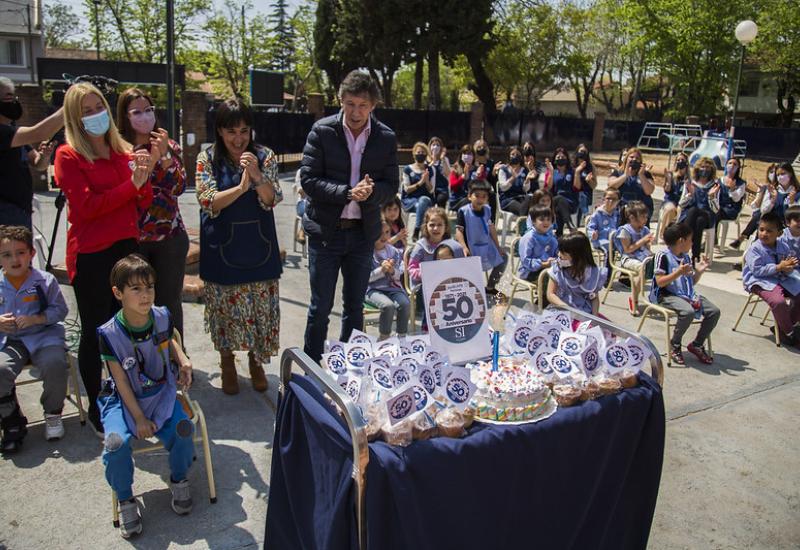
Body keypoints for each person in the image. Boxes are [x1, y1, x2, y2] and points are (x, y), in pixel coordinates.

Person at [53, 82, 153, 435]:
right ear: (73, 118)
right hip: (92, 255)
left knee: (128, 329)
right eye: (86, 110)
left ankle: (130, 397)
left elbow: (142, 200)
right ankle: (99, 405)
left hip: (125, 249)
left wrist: (144, 173)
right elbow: (87, 207)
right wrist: (131, 185)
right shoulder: (68, 156)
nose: (95, 115)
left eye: (99, 107)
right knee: (97, 333)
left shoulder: (122, 151)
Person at [300, 71, 398, 362]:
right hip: (326, 234)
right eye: (350, 103)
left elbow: (391, 185)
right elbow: (308, 180)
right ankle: (312, 367)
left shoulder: (385, 137)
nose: (356, 112)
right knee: (320, 307)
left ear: (373, 106)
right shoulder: (322, 131)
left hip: (362, 234)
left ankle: (347, 366)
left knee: (354, 306)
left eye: (362, 105)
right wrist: (346, 192)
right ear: (340, 100)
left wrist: (371, 193)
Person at [97, 254, 194, 539]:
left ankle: (179, 478)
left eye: (149, 286)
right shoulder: (109, 334)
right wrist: (138, 418)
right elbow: (120, 380)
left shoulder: (161, 315)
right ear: (118, 293)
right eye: (136, 289)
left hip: (159, 392)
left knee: (184, 428)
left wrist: (183, 358)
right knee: (115, 445)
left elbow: (170, 339)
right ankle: (126, 498)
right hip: (124, 400)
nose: (145, 294)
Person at [196, 98, 282, 395]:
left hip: (259, 245)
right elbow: (208, 200)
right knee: (225, 311)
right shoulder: (206, 158)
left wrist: (257, 176)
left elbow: (271, 200)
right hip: (222, 248)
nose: (238, 138)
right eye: (231, 131)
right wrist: (241, 188)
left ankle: (256, 362)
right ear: (220, 131)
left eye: (244, 131)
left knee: (259, 311)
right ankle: (227, 360)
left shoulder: (265, 156)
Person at [116, 88, 189, 338]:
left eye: (148, 110)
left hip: (169, 237)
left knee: (169, 302)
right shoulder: (119, 149)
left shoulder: (169, 145)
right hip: (133, 240)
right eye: (137, 112)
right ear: (125, 116)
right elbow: (129, 192)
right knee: (136, 304)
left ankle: (176, 358)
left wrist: (163, 157)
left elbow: (179, 186)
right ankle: (140, 356)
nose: (144, 116)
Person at [0, 225, 68, 454]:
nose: (15, 259)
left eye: (21, 252)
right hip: (9, 340)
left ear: (32, 254)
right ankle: (11, 420)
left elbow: (61, 311)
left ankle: (53, 413)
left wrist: (38, 318)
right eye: (7, 255)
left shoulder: (45, 280)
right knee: (0, 369)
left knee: (55, 364)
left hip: (44, 335)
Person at [650, 222, 719, 365]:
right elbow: (660, 282)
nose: (692, 243)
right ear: (681, 241)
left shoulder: (685, 257)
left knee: (714, 311)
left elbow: (689, 283)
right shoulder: (662, 256)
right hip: (666, 296)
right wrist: (678, 272)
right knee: (688, 312)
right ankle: (675, 344)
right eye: (691, 239)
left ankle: (697, 344)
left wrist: (699, 271)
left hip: (685, 295)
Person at [0, 77, 64, 228]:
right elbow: (40, 132)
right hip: (5, 211)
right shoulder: (3, 133)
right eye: (7, 97)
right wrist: (69, 106)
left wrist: (44, 156)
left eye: (13, 96)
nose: (13, 102)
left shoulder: (12, 130)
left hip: (20, 209)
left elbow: (38, 164)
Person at [743, 212, 800, 346]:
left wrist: (788, 268)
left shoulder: (783, 246)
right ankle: (790, 333)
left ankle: (784, 328)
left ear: (779, 233)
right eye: (761, 230)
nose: (764, 234)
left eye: (769, 231)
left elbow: (787, 265)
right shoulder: (755, 249)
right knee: (778, 302)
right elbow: (757, 271)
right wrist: (779, 267)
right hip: (760, 281)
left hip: (780, 279)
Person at [455, 180, 507, 292]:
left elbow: (491, 228)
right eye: (477, 196)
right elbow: (459, 231)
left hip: (486, 246)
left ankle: (490, 286)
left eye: (483, 196)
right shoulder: (463, 211)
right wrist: (464, 247)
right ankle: (472, 289)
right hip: (470, 248)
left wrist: (498, 247)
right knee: (469, 268)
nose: (480, 199)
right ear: (469, 196)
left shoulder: (488, 210)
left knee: (504, 258)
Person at [366, 220, 410, 340]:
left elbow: (400, 273)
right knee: (388, 306)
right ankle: (384, 337)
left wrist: (391, 271)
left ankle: (401, 336)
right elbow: (365, 278)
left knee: (405, 303)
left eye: (387, 232)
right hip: (372, 290)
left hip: (393, 288)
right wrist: (382, 270)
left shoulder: (394, 251)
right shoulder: (366, 253)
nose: (384, 236)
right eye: (379, 233)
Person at [546, 232, 607, 316]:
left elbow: (594, 298)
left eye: (563, 253)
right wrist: (567, 308)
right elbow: (550, 294)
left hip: (585, 312)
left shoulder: (592, 272)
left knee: (603, 329)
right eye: (559, 251)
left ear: (578, 256)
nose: (559, 255)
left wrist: (594, 316)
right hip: (562, 312)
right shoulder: (558, 269)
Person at [614, 201, 654, 315]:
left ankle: (661, 298)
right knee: (642, 268)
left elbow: (646, 249)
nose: (646, 219)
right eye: (643, 217)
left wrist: (649, 245)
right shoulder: (625, 231)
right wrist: (643, 241)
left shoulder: (645, 230)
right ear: (632, 217)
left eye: (646, 217)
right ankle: (634, 299)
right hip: (629, 259)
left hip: (643, 257)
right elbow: (627, 249)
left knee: (662, 264)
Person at [679, 157, 719, 262]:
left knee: (695, 211)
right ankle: (695, 256)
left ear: (711, 170)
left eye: (707, 167)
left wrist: (711, 197)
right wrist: (690, 195)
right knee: (698, 220)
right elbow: (681, 204)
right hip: (690, 217)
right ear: (697, 168)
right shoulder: (690, 183)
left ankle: (682, 245)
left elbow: (716, 209)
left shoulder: (715, 185)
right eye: (702, 167)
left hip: (707, 215)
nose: (704, 169)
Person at [729, 163, 778, 250]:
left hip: (772, 215)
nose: (772, 174)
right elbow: (755, 206)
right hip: (762, 214)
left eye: (775, 172)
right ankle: (748, 249)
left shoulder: (779, 190)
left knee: (758, 218)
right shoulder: (764, 187)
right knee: (758, 216)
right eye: (771, 172)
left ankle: (742, 238)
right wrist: (761, 193)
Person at [408, 207, 454, 288]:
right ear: (426, 226)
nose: (436, 228)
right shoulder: (420, 247)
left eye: (440, 225)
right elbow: (411, 269)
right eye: (432, 225)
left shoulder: (450, 245)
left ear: (446, 227)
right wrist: (424, 274)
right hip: (423, 286)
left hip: (445, 285)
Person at [607, 147, 655, 220]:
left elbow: (649, 191)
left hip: (640, 208)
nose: (634, 159)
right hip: (622, 208)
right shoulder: (618, 172)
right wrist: (625, 175)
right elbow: (611, 186)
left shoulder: (645, 174)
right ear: (626, 159)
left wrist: (641, 175)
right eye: (631, 157)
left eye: (637, 158)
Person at [402, 142, 435, 240]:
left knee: (423, 200)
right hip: (410, 200)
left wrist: (427, 180)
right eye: (418, 152)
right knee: (421, 206)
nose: (420, 154)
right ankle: (423, 234)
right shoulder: (407, 169)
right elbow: (407, 189)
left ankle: (416, 230)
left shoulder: (430, 169)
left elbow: (432, 190)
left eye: (423, 152)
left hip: (426, 200)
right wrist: (420, 183)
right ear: (414, 154)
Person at [543, 147, 580, 236]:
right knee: (559, 199)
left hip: (570, 202)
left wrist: (578, 173)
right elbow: (548, 188)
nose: (560, 159)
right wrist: (551, 173)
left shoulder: (572, 172)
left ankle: (559, 233)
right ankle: (570, 225)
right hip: (554, 201)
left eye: (562, 157)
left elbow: (577, 187)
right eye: (558, 157)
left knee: (559, 209)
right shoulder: (551, 172)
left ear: (567, 159)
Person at [519, 205, 558, 282]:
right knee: (551, 278)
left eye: (548, 219)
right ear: (533, 221)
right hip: (530, 271)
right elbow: (526, 261)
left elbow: (557, 253)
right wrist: (544, 264)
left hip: (549, 267)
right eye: (542, 219)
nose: (546, 222)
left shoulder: (551, 237)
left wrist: (556, 260)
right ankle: (546, 293)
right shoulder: (529, 238)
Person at [657, 152, 690, 244]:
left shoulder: (689, 178)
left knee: (684, 212)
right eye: (678, 160)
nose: (680, 162)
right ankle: (663, 234)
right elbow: (667, 190)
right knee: (670, 209)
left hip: (683, 203)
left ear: (686, 162)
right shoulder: (672, 175)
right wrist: (668, 180)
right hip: (671, 201)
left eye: (682, 160)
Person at [497, 146, 535, 216]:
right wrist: (513, 178)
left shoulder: (524, 170)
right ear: (509, 155)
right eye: (513, 154)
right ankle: (522, 225)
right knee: (523, 209)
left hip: (521, 198)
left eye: (517, 154)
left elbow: (526, 189)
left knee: (531, 201)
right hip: (508, 199)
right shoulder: (503, 169)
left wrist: (527, 180)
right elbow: (503, 187)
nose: (515, 156)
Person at [716, 156, 747, 234]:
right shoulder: (720, 180)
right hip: (719, 207)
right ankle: (712, 235)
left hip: (731, 209)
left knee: (716, 213)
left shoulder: (741, 183)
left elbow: (736, 199)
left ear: (738, 167)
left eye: (735, 164)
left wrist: (732, 189)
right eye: (730, 163)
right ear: (726, 165)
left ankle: (713, 237)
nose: (732, 165)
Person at [587, 188, 620, 253]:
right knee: (608, 247)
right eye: (608, 198)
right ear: (603, 200)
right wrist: (593, 234)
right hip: (601, 240)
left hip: (615, 240)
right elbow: (590, 228)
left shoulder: (618, 213)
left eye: (614, 199)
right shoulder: (597, 214)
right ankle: (607, 263)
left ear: (618, 201)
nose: (611, 201)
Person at [574, 144, 596, 224]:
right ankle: (586, 216)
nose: (582, 154)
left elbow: (594, 185)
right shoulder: (573, 166)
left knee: (583, 196)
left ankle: (586, 217)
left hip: (587, 195)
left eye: (584, 152)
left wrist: (589, 181)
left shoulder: (590, 167)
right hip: (575, 195)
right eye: (581, 151)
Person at [449, 144, 475, 211]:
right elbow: (452, 186)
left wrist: (479, 176)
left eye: (469, 154)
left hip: (471, 198)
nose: (467, 156)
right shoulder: (455, 168)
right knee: (469, 201)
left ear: (473, 156)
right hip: (457, 200)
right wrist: (463, 177)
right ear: (461, 156)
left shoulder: (476, 170)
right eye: (465, 153)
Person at [428, 136, 450, 208]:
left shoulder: (445, 159)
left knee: (441, 199)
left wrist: (443, 159)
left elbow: (447, 173)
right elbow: (426, 171)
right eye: (433, 145)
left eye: (438, 145)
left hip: (442, 189)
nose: (435, 147)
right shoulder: (426, 159)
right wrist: (432, 161)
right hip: (430, 188)